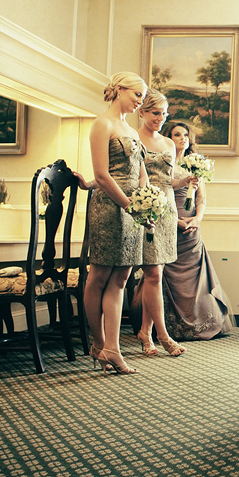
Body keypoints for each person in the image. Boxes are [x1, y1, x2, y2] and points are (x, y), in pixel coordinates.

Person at [81, 71, 153, 375]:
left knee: (122, 279)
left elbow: (140, 172)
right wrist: (129, 206)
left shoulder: (131, 130)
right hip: (109, 208)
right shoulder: (102, 124)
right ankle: (99, 344)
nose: (140, 101)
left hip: (133, 209)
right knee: (98, 277)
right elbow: (101, 176)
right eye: (137, 95)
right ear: (120, 90)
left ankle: (112, 347)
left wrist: (149, 203)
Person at [153, 120, 236, 340]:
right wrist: (173, 220)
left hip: (190, 227)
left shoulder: (195, 164)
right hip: (167, 222)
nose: (182, 138)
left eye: (185, 135)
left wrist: (197, 220)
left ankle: (201, 323)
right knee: (165, 274)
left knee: (196, 277)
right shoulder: (162, 164)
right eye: (177, 134)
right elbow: (159, 191)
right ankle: (166, 327)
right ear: (167, 137)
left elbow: (202, 199)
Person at [133, 90, 187, 357]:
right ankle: (163, 336)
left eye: (164, 114)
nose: (161, 118)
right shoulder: (132, 139)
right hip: (145, 210)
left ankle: (145, 332)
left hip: (167, 211)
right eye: (156, 113)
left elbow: (170, 181)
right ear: (141, 112)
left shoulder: (168, 144)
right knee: (153, 274)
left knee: (155, 276)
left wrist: (185, 182)